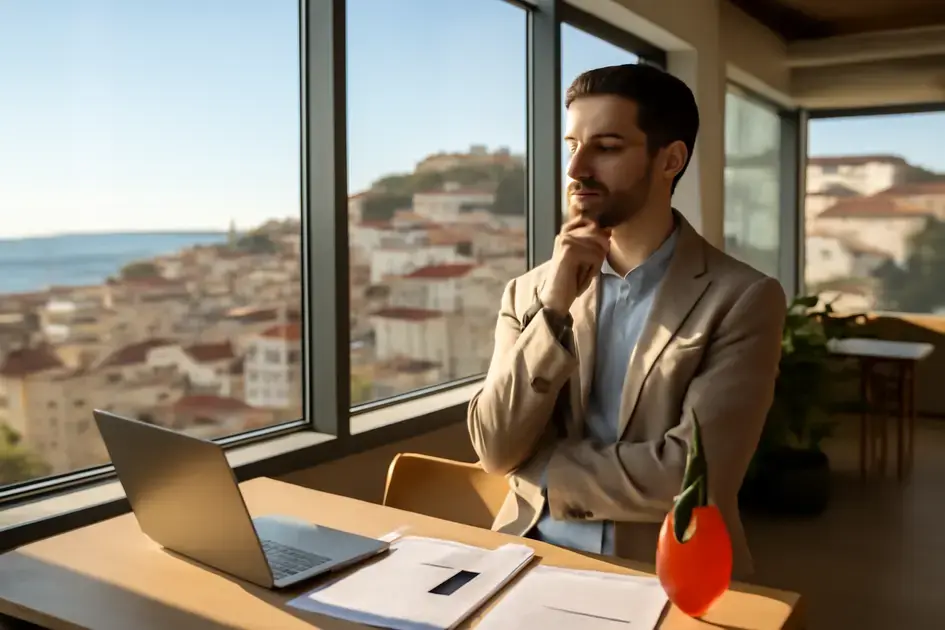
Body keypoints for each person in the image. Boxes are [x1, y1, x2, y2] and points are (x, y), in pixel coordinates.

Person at [467, 63, 786, 578]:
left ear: (670, 160)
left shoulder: (744, 298)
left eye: (607, 147)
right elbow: (495, 447)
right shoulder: (528, 290)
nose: (576, 169)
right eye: (573, 144)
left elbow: (693, 476)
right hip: (529, 556)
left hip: (668, 574)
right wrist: (552, 309)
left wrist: (543, 468)